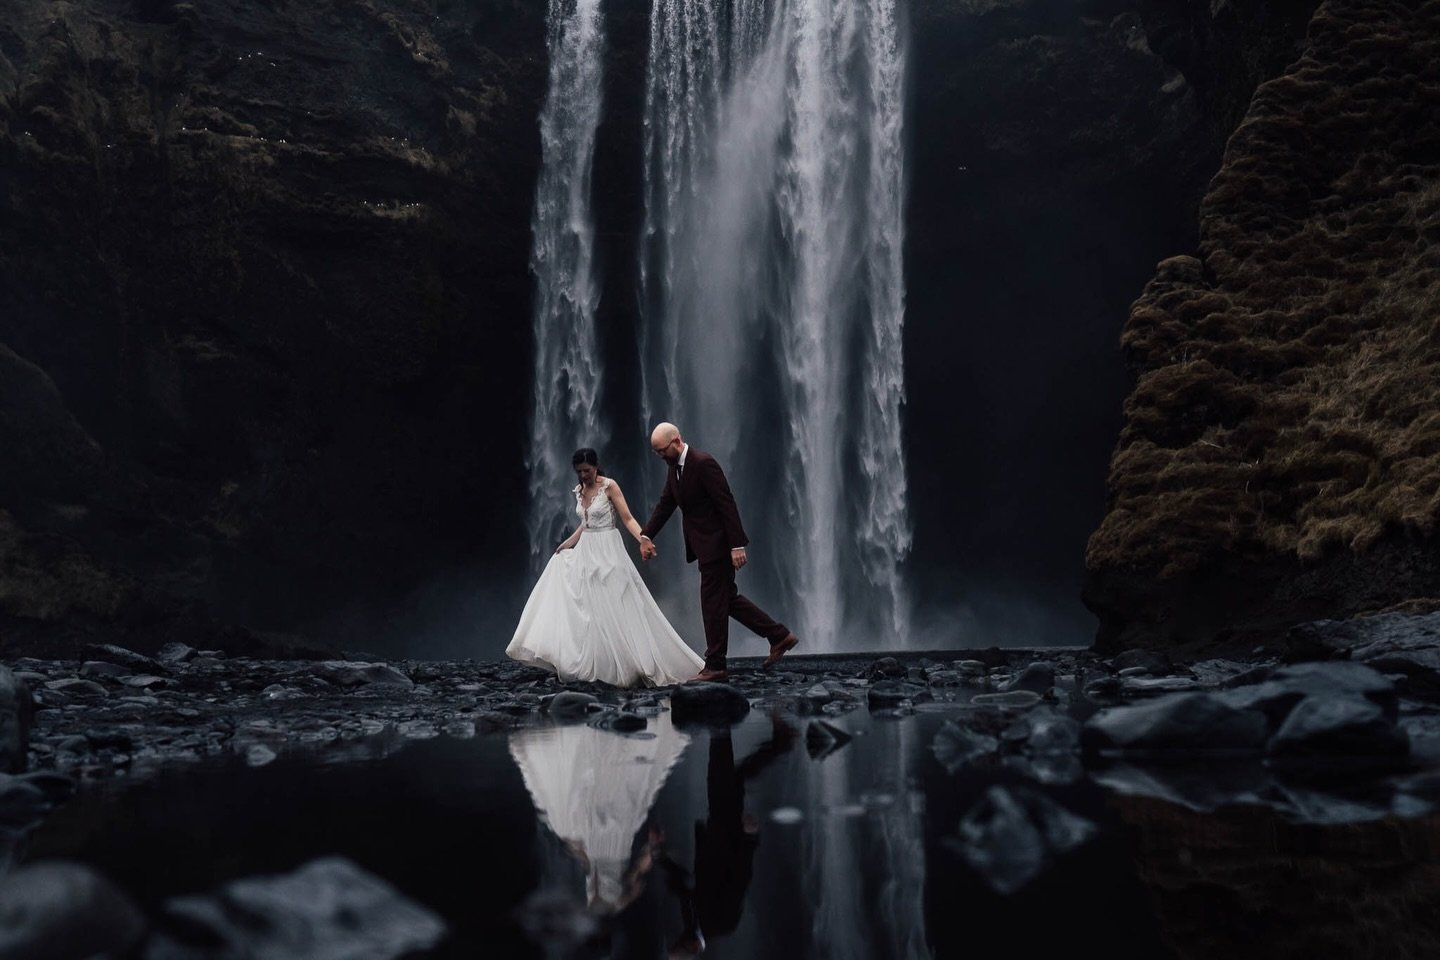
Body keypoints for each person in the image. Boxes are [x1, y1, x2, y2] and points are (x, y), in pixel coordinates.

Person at [507, 448, 704, 686]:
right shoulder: (579, 491)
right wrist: (569, 543)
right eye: (579, 472)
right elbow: (585, 522)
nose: (583, 476)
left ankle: (630, 663)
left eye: (587, 471)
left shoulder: (609, 486)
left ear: (596, 466)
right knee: (588, 606)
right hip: (587, 549)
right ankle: (598, 662)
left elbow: (627, 518)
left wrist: (644, 538)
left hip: (608, 548)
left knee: (617, 601)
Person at [639, 422, 797, 682]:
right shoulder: (675, 469)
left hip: (718, 545)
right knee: (727, 600)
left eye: (662, 450)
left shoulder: (702, 463)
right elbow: (667, 504)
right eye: (656, 452)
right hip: (704, 546)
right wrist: (646, 535)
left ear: (677, 441)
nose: (660, 456)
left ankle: (715, 665)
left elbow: (726, 502)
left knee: (712, 604)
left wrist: (736, 545)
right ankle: (779, 636)